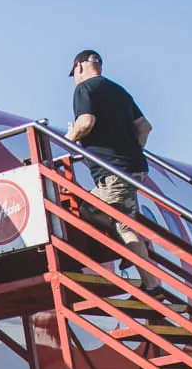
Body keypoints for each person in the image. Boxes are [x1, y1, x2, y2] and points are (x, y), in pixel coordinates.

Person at [65, 50, 155, 280]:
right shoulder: (119, 91)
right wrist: (132, 150)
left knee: (89, 211)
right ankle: (137, 248)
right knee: (121, 221)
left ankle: (151, 283)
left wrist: (68, 138)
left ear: (79, 67)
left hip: (113, 170)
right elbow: (145, 127)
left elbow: (86, 121)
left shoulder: (85, 89)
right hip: (135, 166)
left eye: (74, 72)